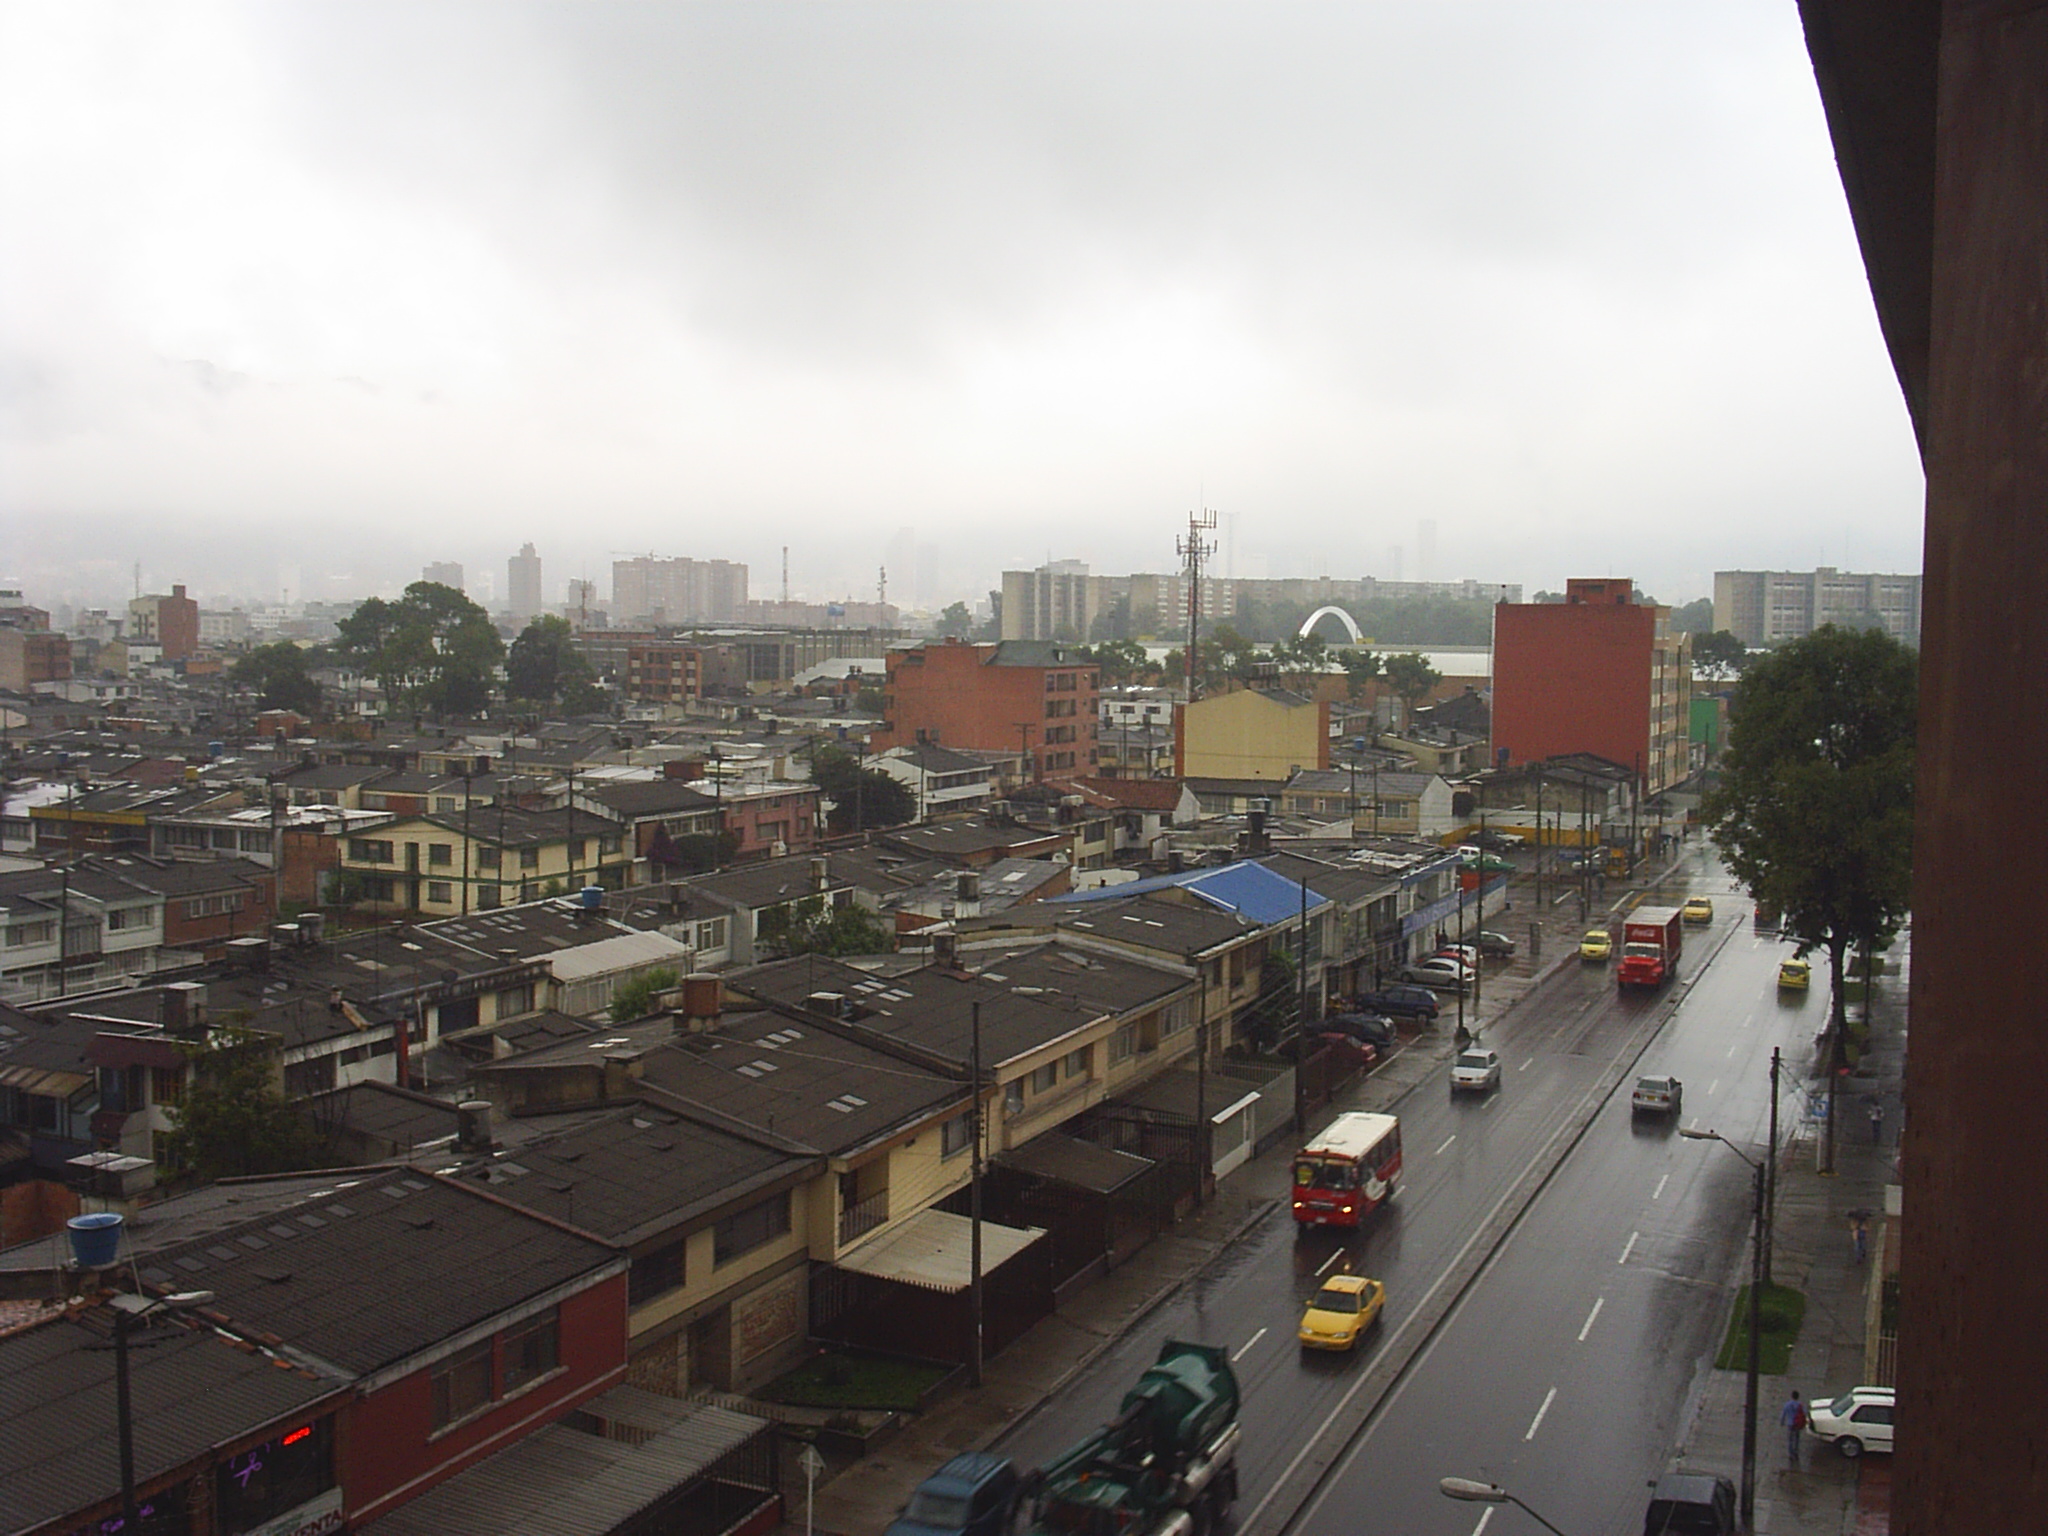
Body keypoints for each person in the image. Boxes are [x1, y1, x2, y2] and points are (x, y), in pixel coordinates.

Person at [1781, 1389, 1806, 1462]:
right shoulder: (1800, 1404)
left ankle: (1790, 1453)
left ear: (1791, 1396)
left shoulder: (1787, 1404)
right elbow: (1804, 1413)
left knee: (1790, 1439)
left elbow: (1783, 1414)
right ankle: (1796, 1451)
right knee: (1796, 1438)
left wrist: (1782, 1422)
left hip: (1790, 1424)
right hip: (1797, 1424)